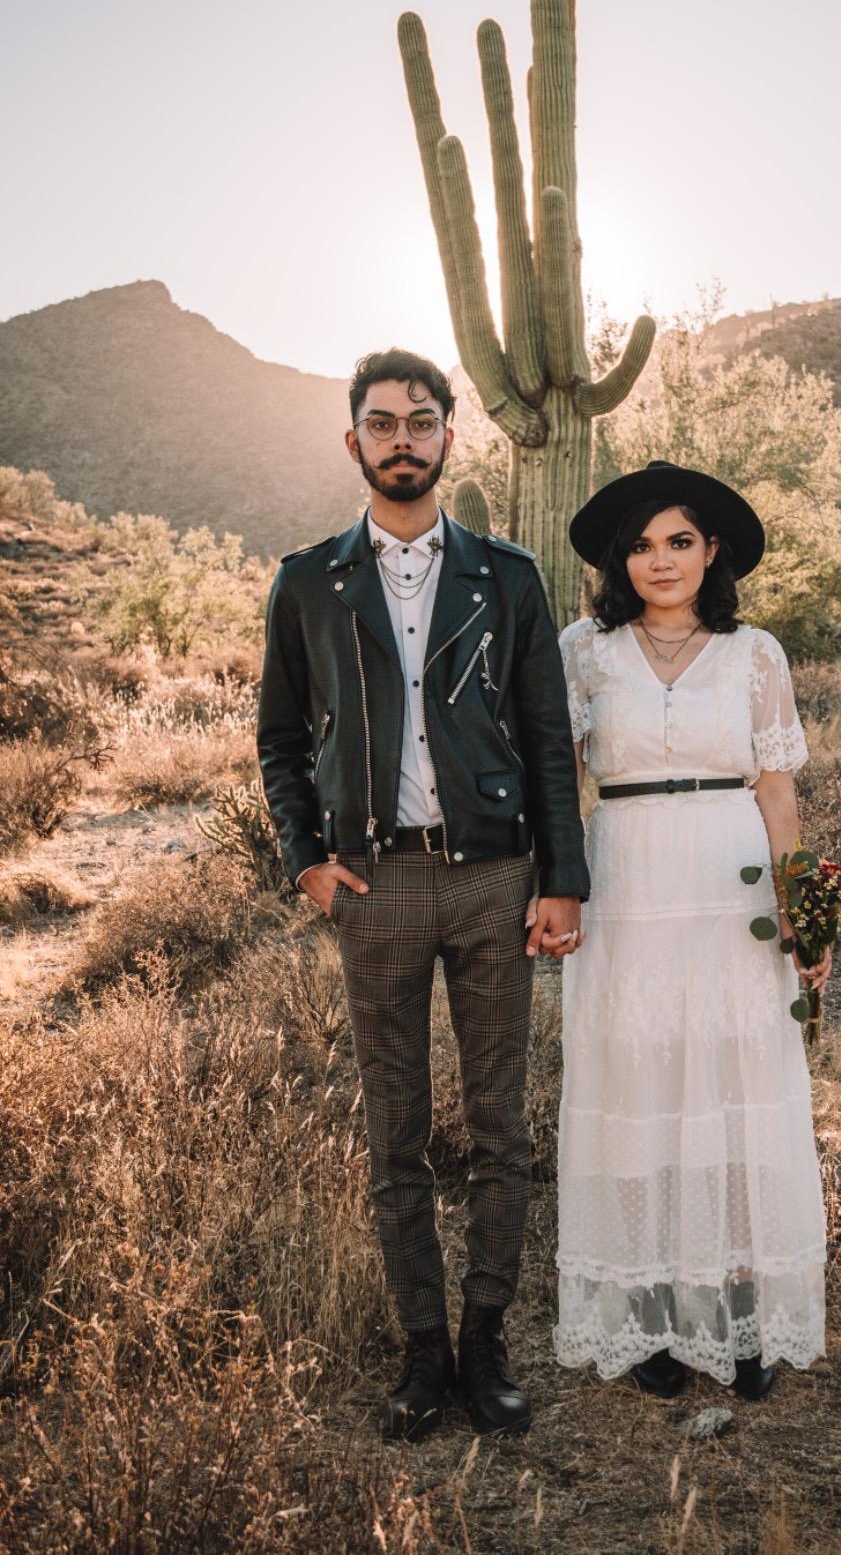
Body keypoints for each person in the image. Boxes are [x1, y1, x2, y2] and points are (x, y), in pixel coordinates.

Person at [257, 348, 589, 1441]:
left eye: (421, 420)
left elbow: (548, 739)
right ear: (352, 441)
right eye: (381, 422)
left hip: (494, 874)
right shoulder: (309, 579)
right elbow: (279, 740)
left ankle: (486, 1338)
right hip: (376, 880)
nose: (402, 438)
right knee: (393, 1128)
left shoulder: (509, 576)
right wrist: (306, 855)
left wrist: (560, 880)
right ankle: (421, 1350)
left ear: (453, 436)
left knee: (501, 1123)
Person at [552, 460, 829, 1399]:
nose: (659, 561)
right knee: (645, 1082)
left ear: (713, 552)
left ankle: (739, 1316)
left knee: (733, 1079)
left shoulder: (757, 655)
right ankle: (657, 1319)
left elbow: (779, 790)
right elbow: (561, 787)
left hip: (729, 882)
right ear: (617, 562)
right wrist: (555, 887)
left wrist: (801, 908)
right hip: (627, 880)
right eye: (640, 545)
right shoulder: (582, 653)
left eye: (679, 541)